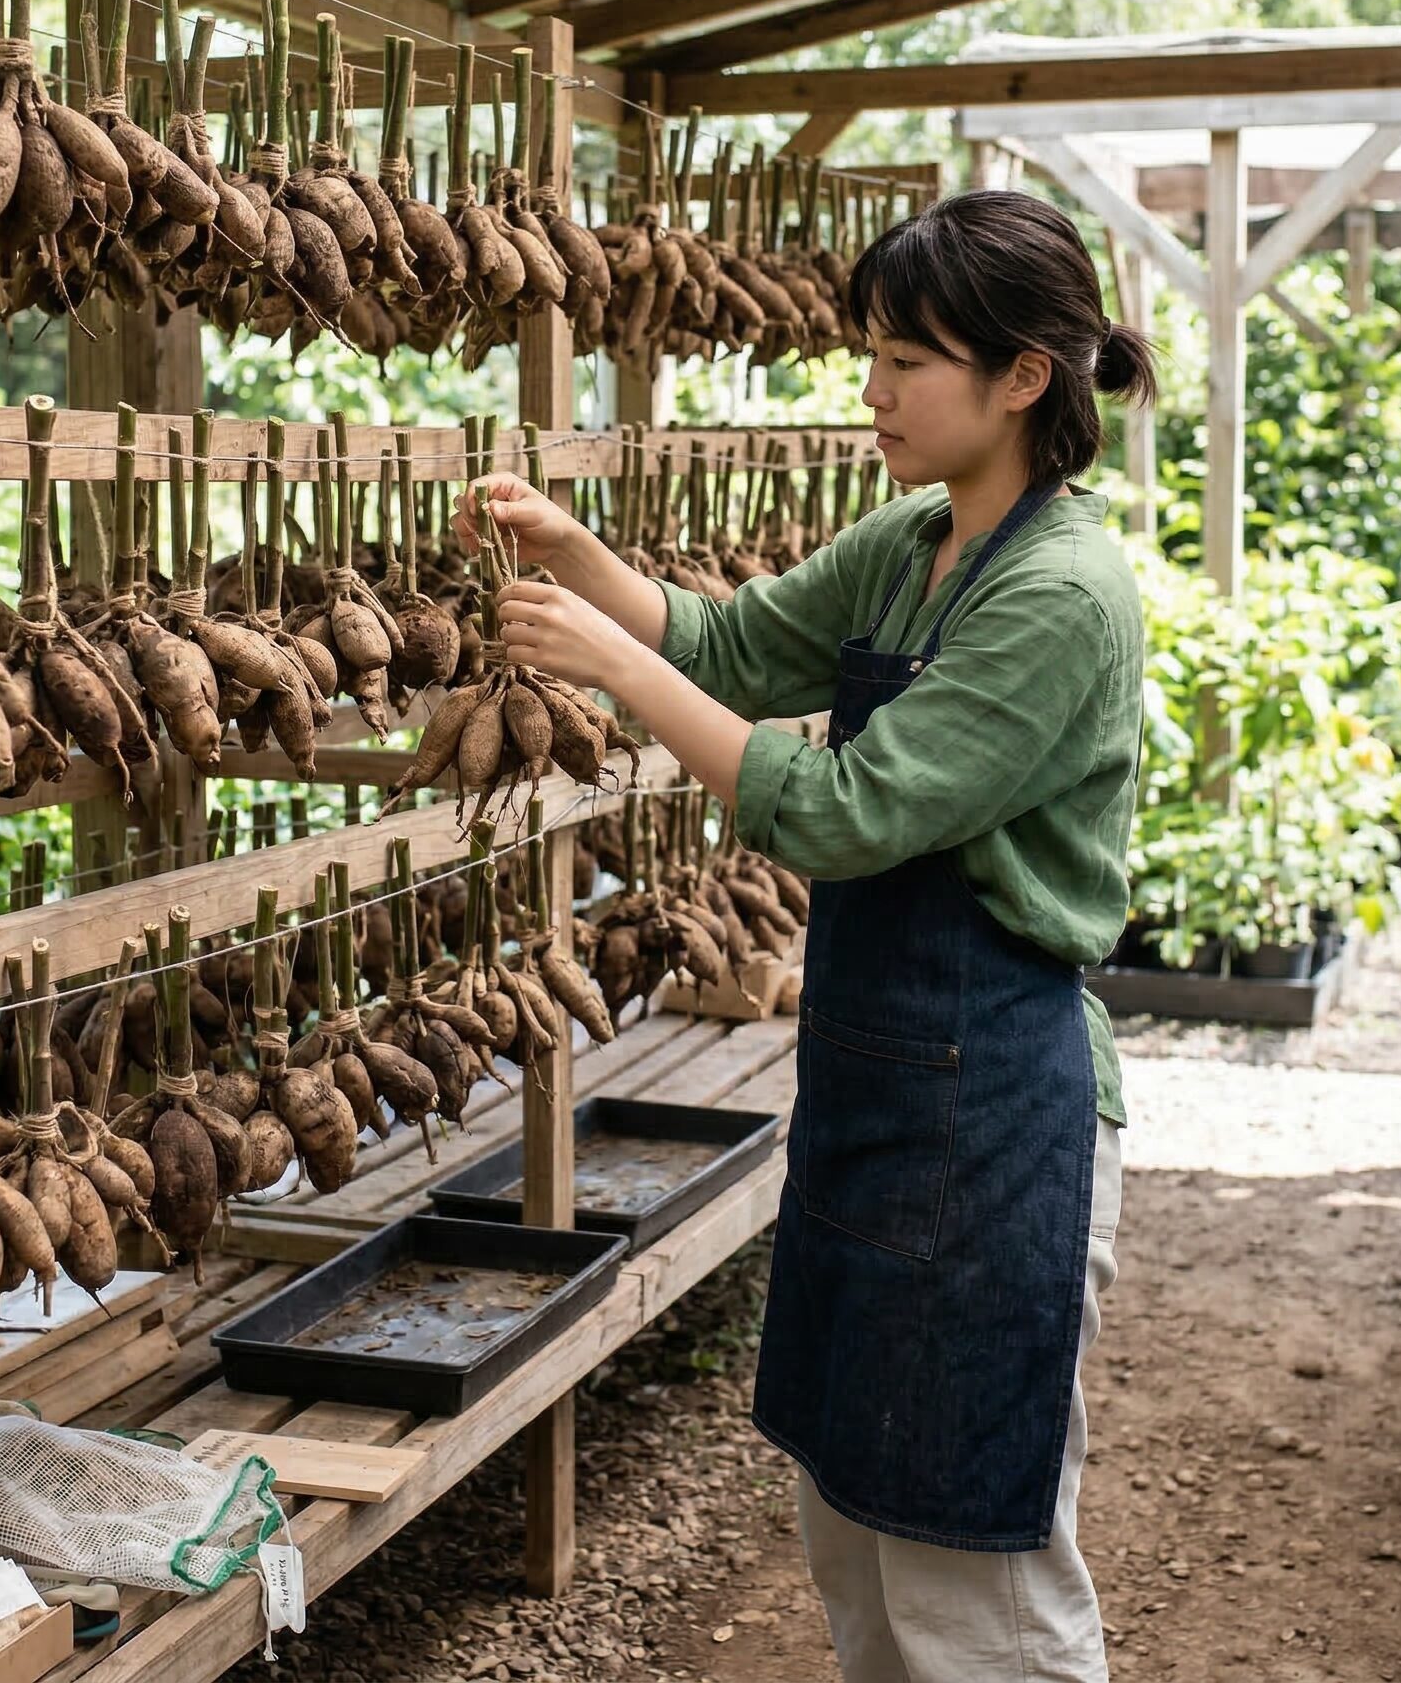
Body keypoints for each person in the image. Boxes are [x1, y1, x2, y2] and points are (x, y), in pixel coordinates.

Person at [456, 188, 1157, 1682]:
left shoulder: (1062, 592)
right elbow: (728, 641)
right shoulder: (919, 539)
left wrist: (603, 674)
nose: (873, 387)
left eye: (908, 358)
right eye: (873, 351)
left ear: (1024, 377)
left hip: (1001, 1108)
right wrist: (578, 558)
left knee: (976, 1569)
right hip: (881, 1089)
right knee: (858, 1530)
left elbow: (843, 812)